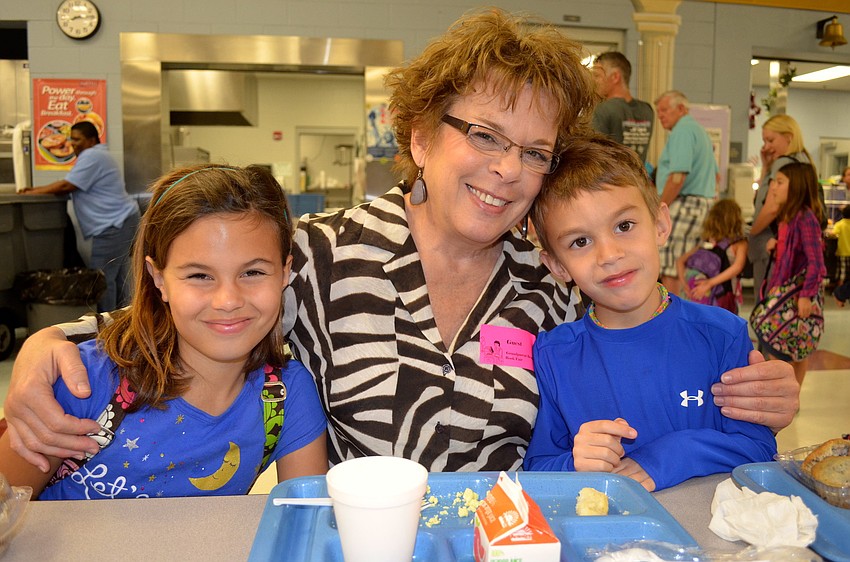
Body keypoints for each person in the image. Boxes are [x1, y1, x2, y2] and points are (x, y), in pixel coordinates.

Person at [4, 9, 799, 475]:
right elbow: (200, 315)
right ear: (419, 135)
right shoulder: (320, 258)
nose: (507, 171)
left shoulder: (556, 282)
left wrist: (762, 397)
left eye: (534, 151)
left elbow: (646, 384)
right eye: (484, 135)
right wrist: (56, 346)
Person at [0, 165, 328, 499]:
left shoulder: (289, 397)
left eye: (253, 272)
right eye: (200, 275)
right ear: (159, 279)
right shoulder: (83, 381)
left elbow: (305, 526)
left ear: (285, 272)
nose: (228, 300)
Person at [523, 136, 776, 492]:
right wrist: (575, 461)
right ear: (557, 266)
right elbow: (536, 467)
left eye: (624, 226)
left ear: (660, 224)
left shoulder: (722, 335)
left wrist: (671, 454)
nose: (609, 254)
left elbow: (759, 446)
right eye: (580, 242)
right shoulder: (553, 354)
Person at [21, 121, 140, 312]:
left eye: (77, 139)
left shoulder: (92, 155)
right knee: (117, 277)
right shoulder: (99, 155)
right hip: (124, 220)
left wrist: (31, 192)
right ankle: (123, 323)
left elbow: (67, 186)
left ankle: (105, 327)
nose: (73, 143)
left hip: (114, 225)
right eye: (71, 139)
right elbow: (70, 187)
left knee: (100, 279)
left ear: (91, 140)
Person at [759, 162, 827, 386]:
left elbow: (816, 261)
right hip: (785, 291)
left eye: (780, 182)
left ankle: (789, 393)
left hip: (798, 295)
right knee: (789, 342)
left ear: (796, 187)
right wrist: (777, 244)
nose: (774, 187)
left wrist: (806, 295)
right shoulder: (788, 218)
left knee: (788, 343)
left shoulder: (805, 218)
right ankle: (788, 393)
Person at [654, 90, 719, 296]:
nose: (660, 116)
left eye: (664, 110)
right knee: (683, 262)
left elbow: (677, 177)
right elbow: (716, 177)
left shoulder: (683, 130)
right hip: (700, 204)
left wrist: (658, 207)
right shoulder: (699, 131)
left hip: (685, 203)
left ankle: (670, 317)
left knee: (671, 265)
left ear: (681, 109)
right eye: (658, 112)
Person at [748, 115, 813, 302]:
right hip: (787, 246)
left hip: (769, 244)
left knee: (767, 305)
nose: (766, 146)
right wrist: (766, 165)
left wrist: (752, 232)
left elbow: (771, 207)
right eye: (764, 141)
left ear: (789, 137)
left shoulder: (784, 164)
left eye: (771, 140)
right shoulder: (804, 160)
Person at [676, 198, 747, 314]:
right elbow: (737, 268)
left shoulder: (707, 243)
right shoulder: (738, 243)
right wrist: (709, 283)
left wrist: (685, 286)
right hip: (724, 296)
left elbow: (680, 261)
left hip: (698, 294)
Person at [590, 52, 654, 164]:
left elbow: (595, 157)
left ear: (615, 77)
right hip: (637, 179)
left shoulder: (603, 110)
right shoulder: (647, 110)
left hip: (611, 179)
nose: (594, 81)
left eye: (597, 76)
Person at [832, 205, 850, 289]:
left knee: (841, 274)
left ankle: (839, 291)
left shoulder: (840, 224)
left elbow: (833, 233)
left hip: (842, 252)